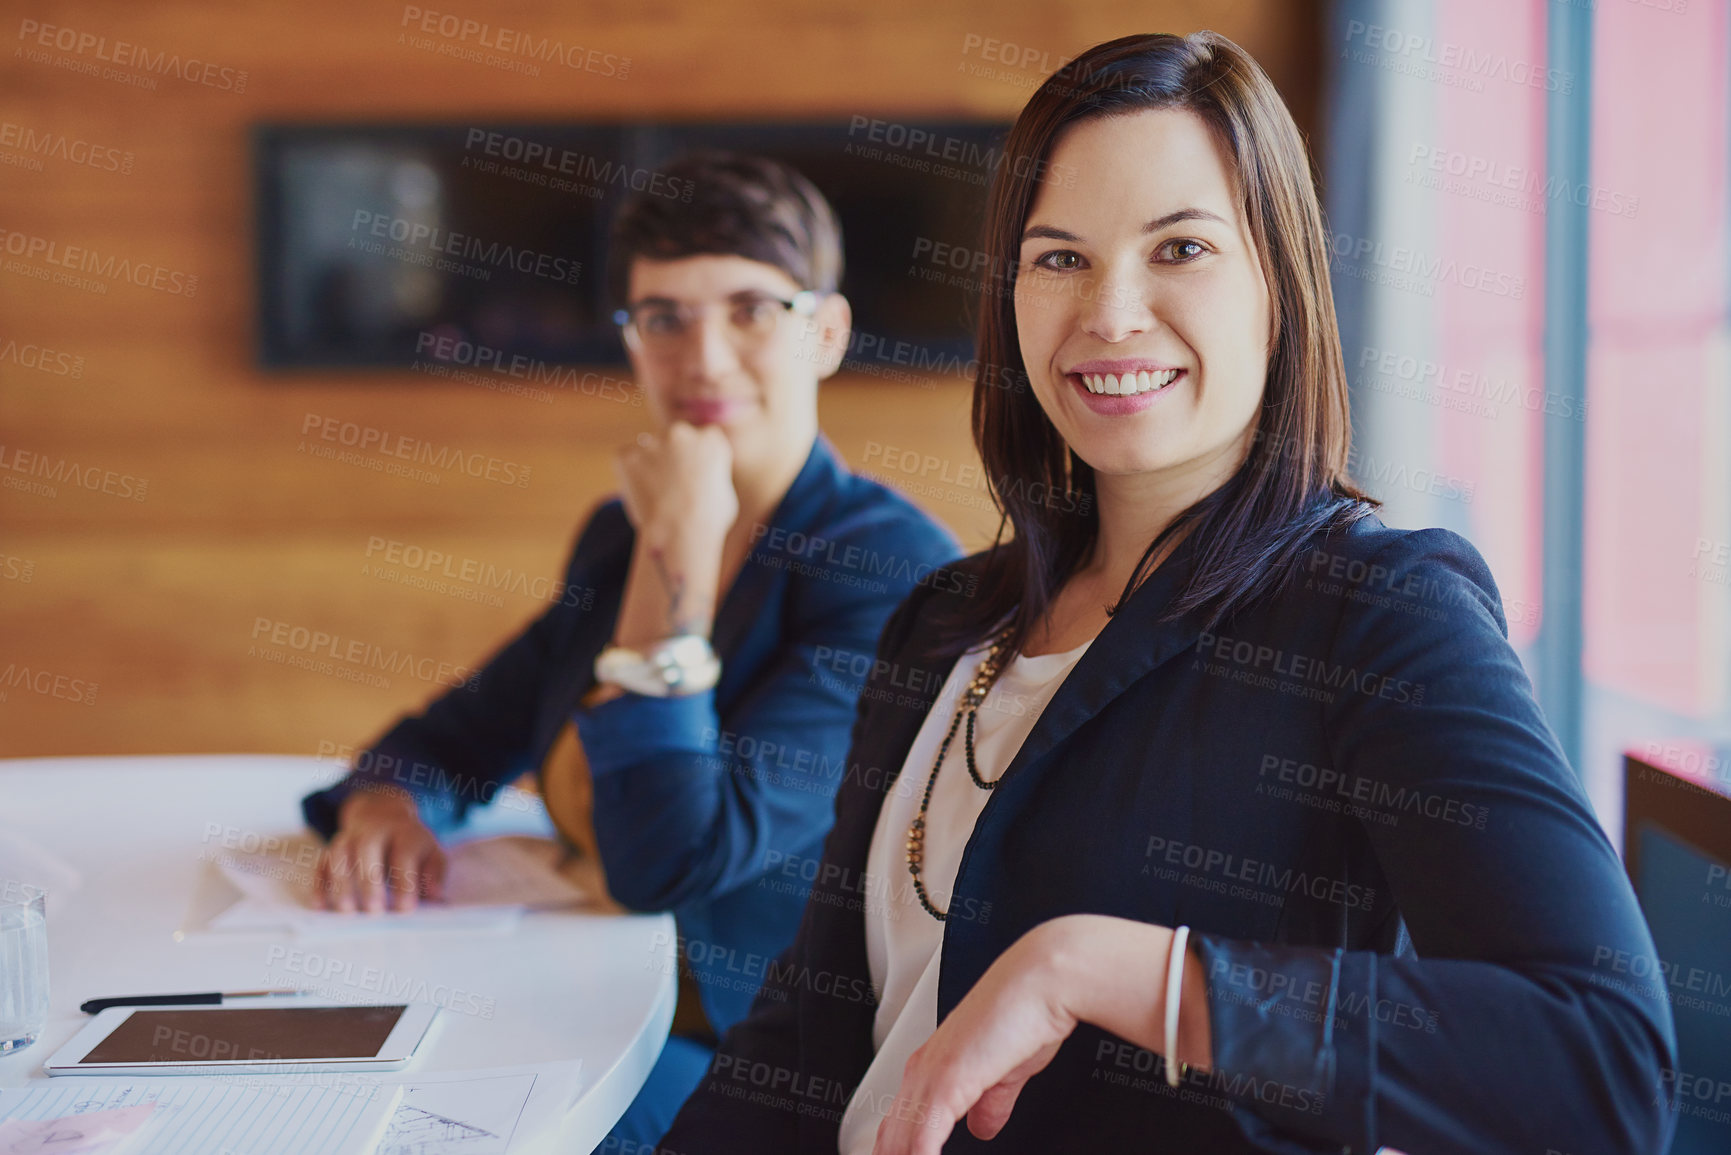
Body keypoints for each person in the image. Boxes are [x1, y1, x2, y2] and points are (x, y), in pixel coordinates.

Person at [657, 32, 1677, 1155]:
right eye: (1059, 258)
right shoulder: (943, 618)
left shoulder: (1376, 608)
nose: (1111, 313)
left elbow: (1600, 1059)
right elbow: (809, 1030)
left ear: (1280, 284)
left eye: (1180, 248)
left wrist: (1104, 968)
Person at [299, 152, 960, 1151]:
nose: (703, 357)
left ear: (825, 333)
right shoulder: (618, 535)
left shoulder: (889, 570)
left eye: (751, 309)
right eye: (665, 317)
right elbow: (449, 738)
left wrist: (679, 564)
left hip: (761, 1060)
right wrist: (392, 803)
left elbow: (675, 857)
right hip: (576, 988)